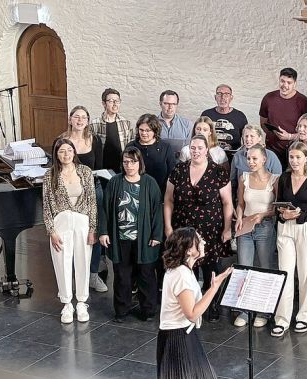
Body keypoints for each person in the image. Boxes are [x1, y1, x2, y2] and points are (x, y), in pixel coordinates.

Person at [156, 227, 232, 379]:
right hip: (178, 340)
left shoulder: (184, 271)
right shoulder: (181, 274)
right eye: (199, 240)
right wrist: (213, 289)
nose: (204, 242)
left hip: (181, 336)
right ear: (189, 249)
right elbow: (192, 313)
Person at [164, 135, 233, 319]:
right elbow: (168, 200)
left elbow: (227, 203)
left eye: (199, 148)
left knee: (212, 267)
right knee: (187, 267)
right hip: (183, 229)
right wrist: (168, 227)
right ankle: (190, 304)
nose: (195, 151)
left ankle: (212, 305)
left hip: (210, 229)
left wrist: (227, 228)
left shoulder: (218, 172)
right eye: (192, 148)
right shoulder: (179, 170)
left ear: (206, 150)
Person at [98, 147, 163, 322]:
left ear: (139, 163)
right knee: (122, 276)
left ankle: (148, 310)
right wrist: (103, 232)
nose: (129, 165)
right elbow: (105, 209)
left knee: (146, 275)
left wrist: (157, 235)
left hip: (145, 239)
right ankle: (122, 310)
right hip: (121, 238)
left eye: (133, 161)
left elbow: (158, 210)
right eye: (126, 161)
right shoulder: (115, 182)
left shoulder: (150, 183)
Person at [272, 142, 307, 337]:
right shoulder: (285, 177)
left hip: (306, 228)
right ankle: (282, 319)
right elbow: (278, 204)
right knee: (284, 274)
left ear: (306, 158)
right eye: (291, 157)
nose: (294, 161)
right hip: (285, 228)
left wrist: (298, 215)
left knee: (305, 275)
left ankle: (304, 316)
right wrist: (282, 214)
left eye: (298, 157)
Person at [42, 138, 97, 324]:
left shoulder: (85, 172)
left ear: (74, 152)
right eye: (61, 151)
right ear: (56, 155)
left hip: (82, 222)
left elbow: (92, 202)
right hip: (61, 223)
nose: (66, 155)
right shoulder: (50, 175)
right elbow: (47, 206)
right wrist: (52, 231)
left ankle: (82, 302)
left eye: (69, 150)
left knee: (83, 261)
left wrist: (92, 229)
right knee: (62, 263)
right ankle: (66, 303)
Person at [61, 105, 108, 294]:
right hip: (70, 193)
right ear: (70, 119)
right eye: (76, 117)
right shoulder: (62, 141)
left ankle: (93, 274)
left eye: (84, 118)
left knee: (92, 232)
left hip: (93, 190)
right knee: (72, 232)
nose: (80, 121)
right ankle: (74, 273)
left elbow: (101, 166)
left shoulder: (93, 140)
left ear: (88, 121)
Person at [233, 144, 278, 328]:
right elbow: (241, 203)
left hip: (265, 227)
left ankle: (264, 311)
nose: (250, 162)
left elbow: (276, 208)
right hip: (246, 227)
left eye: (254, 159)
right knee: (244, 268)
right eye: (248, 159)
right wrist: (238, 217)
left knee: (265, 268)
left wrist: (264, 215)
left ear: (264, 159)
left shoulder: (274, 180)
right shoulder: (244, 178)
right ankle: (244, 310)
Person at [260, 67, 307, 164]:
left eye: (289, 83)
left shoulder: (304, 102)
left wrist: (289, 136)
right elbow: (263, 122)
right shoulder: (268, 98)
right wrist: (272, 134)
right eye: (282, 81)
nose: (285, 85)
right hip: (271, 151)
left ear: (295, 84)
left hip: (295, 153)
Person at [129, 114, 178, 192]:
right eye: (141, 130)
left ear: (155, 131)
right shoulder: (131, 147)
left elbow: (172, 173)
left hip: (160, 192)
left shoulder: (166, 148)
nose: (144, 133)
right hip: (136, 191)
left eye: (147, 130)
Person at [91, 88, 133, 173]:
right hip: (101, 170)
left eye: (117, 101)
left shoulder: (126, 124)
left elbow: (131, 148)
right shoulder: (94, 125)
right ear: (104, 103)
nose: (115, 104)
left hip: (121, 169)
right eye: (111, 101)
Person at [201, 84, 248, 153]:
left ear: (231, 98)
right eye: (219, 94)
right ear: (215, 97)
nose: (222, 97)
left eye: (226, 94)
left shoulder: (240, 116)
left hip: (232, 156)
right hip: (210, 155)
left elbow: (246, 139)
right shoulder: (206, 115)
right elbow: (200, 136)